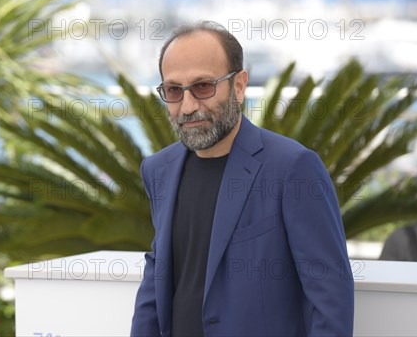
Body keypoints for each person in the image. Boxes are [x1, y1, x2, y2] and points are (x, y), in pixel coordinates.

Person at [131, 21, 354, 337]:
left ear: (238, 85)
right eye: (173, 90)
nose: (188, 105)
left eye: (203, 86)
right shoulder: (158, 169)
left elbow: (330, 298)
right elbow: (157, 279)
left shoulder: (292, 167)